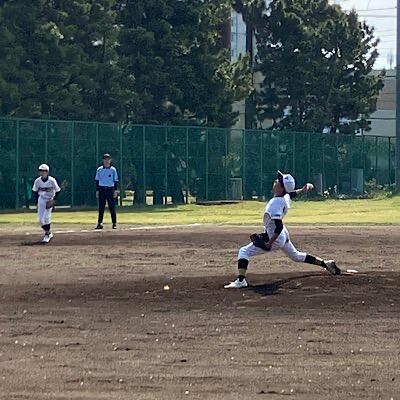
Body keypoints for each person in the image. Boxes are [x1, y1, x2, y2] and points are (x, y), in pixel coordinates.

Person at [224, 171, 341, 289]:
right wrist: (302, 190)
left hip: (275, 236)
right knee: (296, 256)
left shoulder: (275, 204)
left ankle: (241, 281)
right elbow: (291, 194)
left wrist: (270, 242)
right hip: (283, 234)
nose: (275, 181)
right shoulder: (284, 197)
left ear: (281, 188)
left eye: (278, 181)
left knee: (244, 251)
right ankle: (325, 263)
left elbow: (278, 226)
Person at [32, 164, 61, 243]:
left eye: (44, 171)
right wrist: (36, 202)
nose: (42, 172)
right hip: (41, 200)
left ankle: (47, 235)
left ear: (47, 172)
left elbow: (58, 190)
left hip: (49, 199)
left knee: (46, 218)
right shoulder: (37, 181)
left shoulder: (52, 180)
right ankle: (48, 233)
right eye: (40, 171)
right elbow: (35, 191)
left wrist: (54, 201)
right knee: (40, 220)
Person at [95, 154, 119, 229]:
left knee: (112, 207)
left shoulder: (113, 170)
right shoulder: (99, 169)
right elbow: (97, 180)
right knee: (101, 207)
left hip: (110, 189)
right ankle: (99, 223)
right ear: (103, 160)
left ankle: (114, 223)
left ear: (110, 160)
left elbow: (115, 180)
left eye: (108, 159)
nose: (106, 161)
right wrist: (97, 190)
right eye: (105, 159)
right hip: (102, 189)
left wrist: (115, 190)